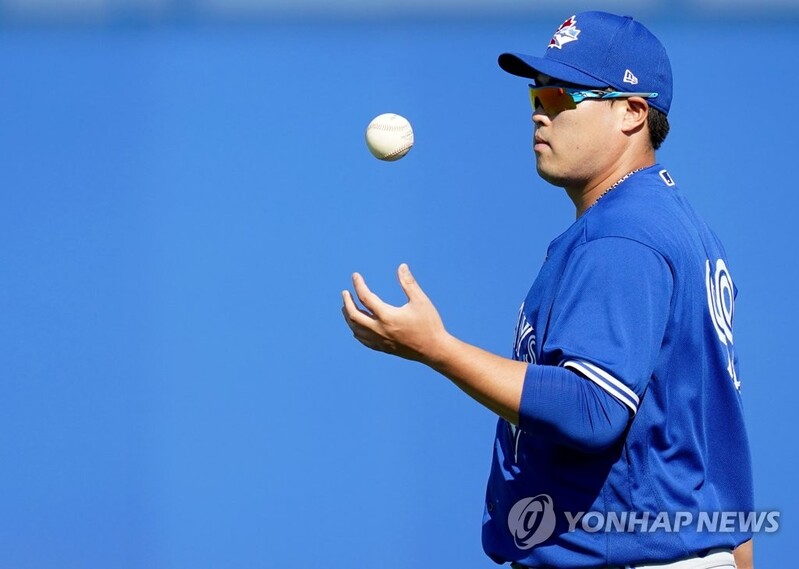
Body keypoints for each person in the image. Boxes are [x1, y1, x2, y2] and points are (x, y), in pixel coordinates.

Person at [341, 11, 754, 569]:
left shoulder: (624, 234)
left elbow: (593, 409)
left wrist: (436, 349)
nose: (540, 113)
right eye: (537, 95)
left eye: (562, 96)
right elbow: (713, 447)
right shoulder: (679, 229)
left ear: (632, 112)